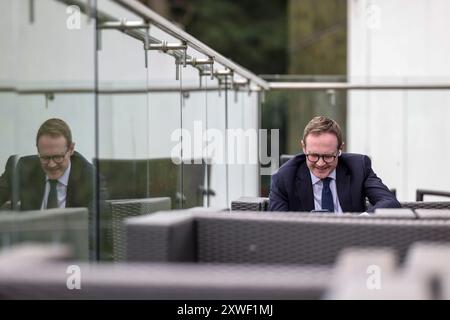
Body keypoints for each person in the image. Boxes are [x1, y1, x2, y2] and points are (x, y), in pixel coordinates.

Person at [268, 116, 401, 213]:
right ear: (303, 147)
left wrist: (360, 220)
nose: (320, 163)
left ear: (340, 149)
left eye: (328, 156)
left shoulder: (359, 167)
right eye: (313, 155)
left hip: (352, 244)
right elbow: (276, 225)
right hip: (304, 245)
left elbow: (390, 203)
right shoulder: (283, 178)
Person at [0, 118, 104, 213]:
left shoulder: (91, 180)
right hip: (30, 232)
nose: (51, 164)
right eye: (45, 158)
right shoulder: (24, 168)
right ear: (38, 150)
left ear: (71, 149)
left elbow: (93, 229)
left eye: (58, 157)